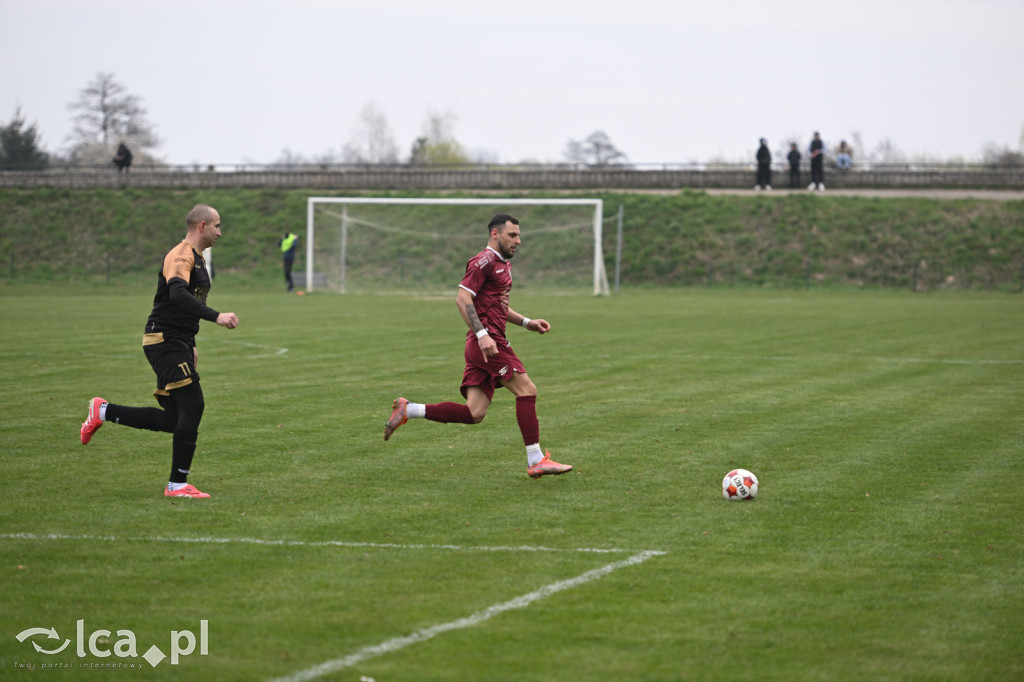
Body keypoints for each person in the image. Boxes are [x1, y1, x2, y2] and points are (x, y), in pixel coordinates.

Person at [383, 213, 573, 479]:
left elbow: (497, 305)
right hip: (488, 342)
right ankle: (536, 459)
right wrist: (483, 334)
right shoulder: (483, 261)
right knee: (527, 390)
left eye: (519, 235)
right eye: (512, 235)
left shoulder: (502, 264)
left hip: (481, 343)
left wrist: (527, 322)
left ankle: (409, 409)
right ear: (495, 234)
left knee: (475, 413)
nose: (518, 240)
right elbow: (463, 299)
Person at [79, 204, 240, 498]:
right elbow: (177, 294)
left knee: (173, 420)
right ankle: (177, 485)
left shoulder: (198, 259)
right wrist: (216, 316)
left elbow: (182, 306)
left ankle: (102, 410)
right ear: (202, 225)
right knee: (194, 404)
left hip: (176, 341)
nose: (220, 231)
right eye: (217, 225)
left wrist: (191, 344)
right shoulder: (180, 255)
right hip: (164, 340)